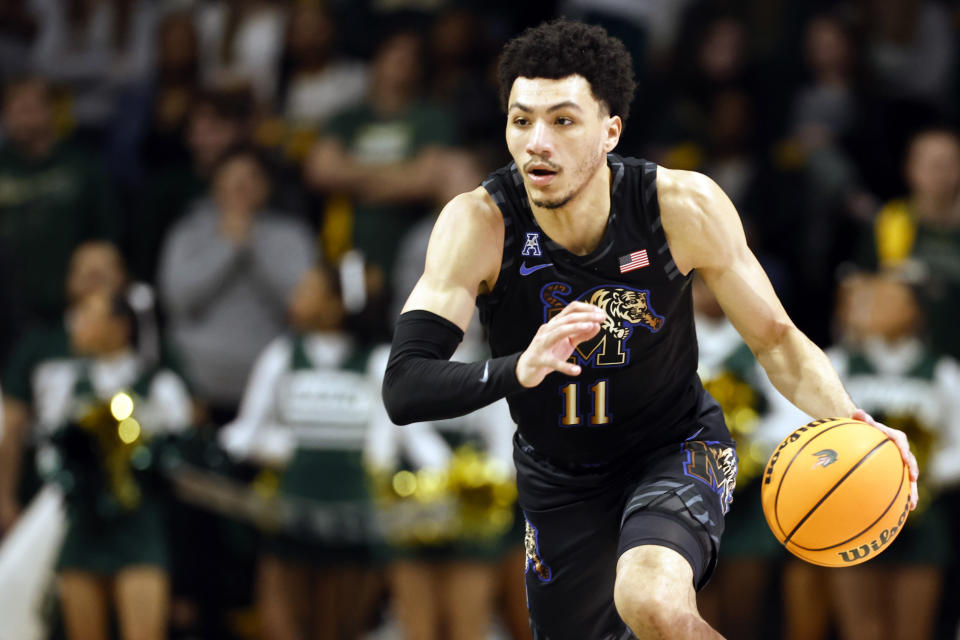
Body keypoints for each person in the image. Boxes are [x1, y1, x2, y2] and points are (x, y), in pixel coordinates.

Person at [380, 18, 919, 640]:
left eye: (562, 120)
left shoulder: (679, 206)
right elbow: (404, 386)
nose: (536, 142)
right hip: (558, 478)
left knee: (653, 603)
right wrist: (518, 368)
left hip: (674, 447)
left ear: (610, 130)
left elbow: (776, 340)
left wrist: (851, 418)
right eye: (521, 120)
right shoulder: (479, 223)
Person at [219, 264, 383, 640]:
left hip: (353, 510)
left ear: (337, 304)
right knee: (282, 622)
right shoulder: (281, 356)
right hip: (291, 506)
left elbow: (387, 438)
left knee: (341, 626)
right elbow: (246, 431)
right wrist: (281, 448)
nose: (296, 299)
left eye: (308, 290)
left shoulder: (376, 361)